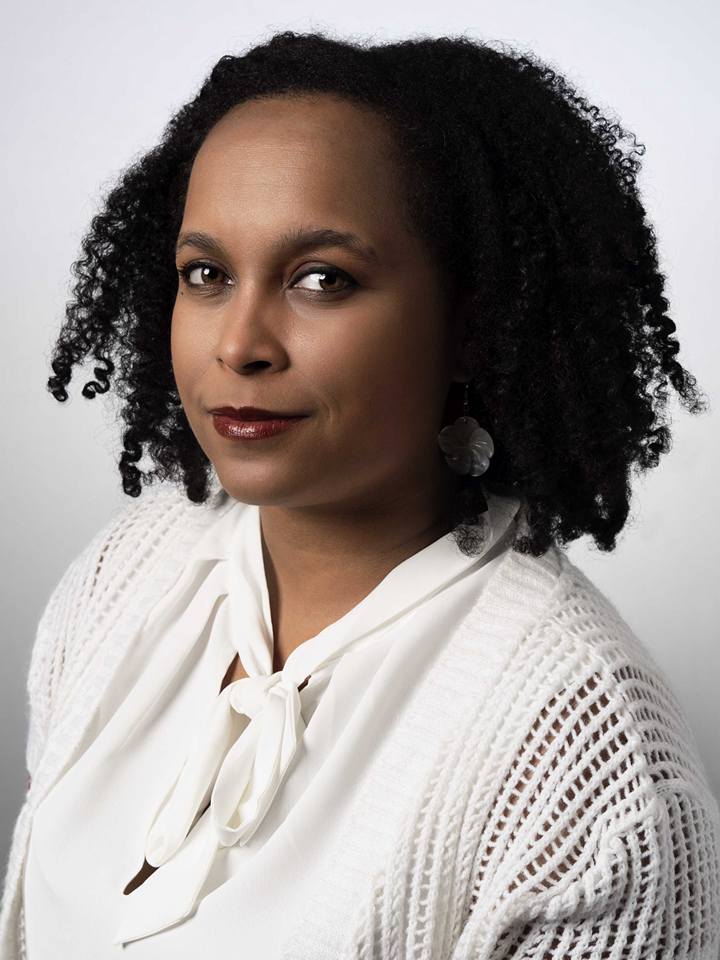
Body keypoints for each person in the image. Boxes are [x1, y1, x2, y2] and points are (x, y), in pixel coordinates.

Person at [1, 29, 718, 960]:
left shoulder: (587, 760)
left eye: (322, 279)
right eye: (207, 274)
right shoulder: (126, 572)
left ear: (470, 325)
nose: (239, 344)